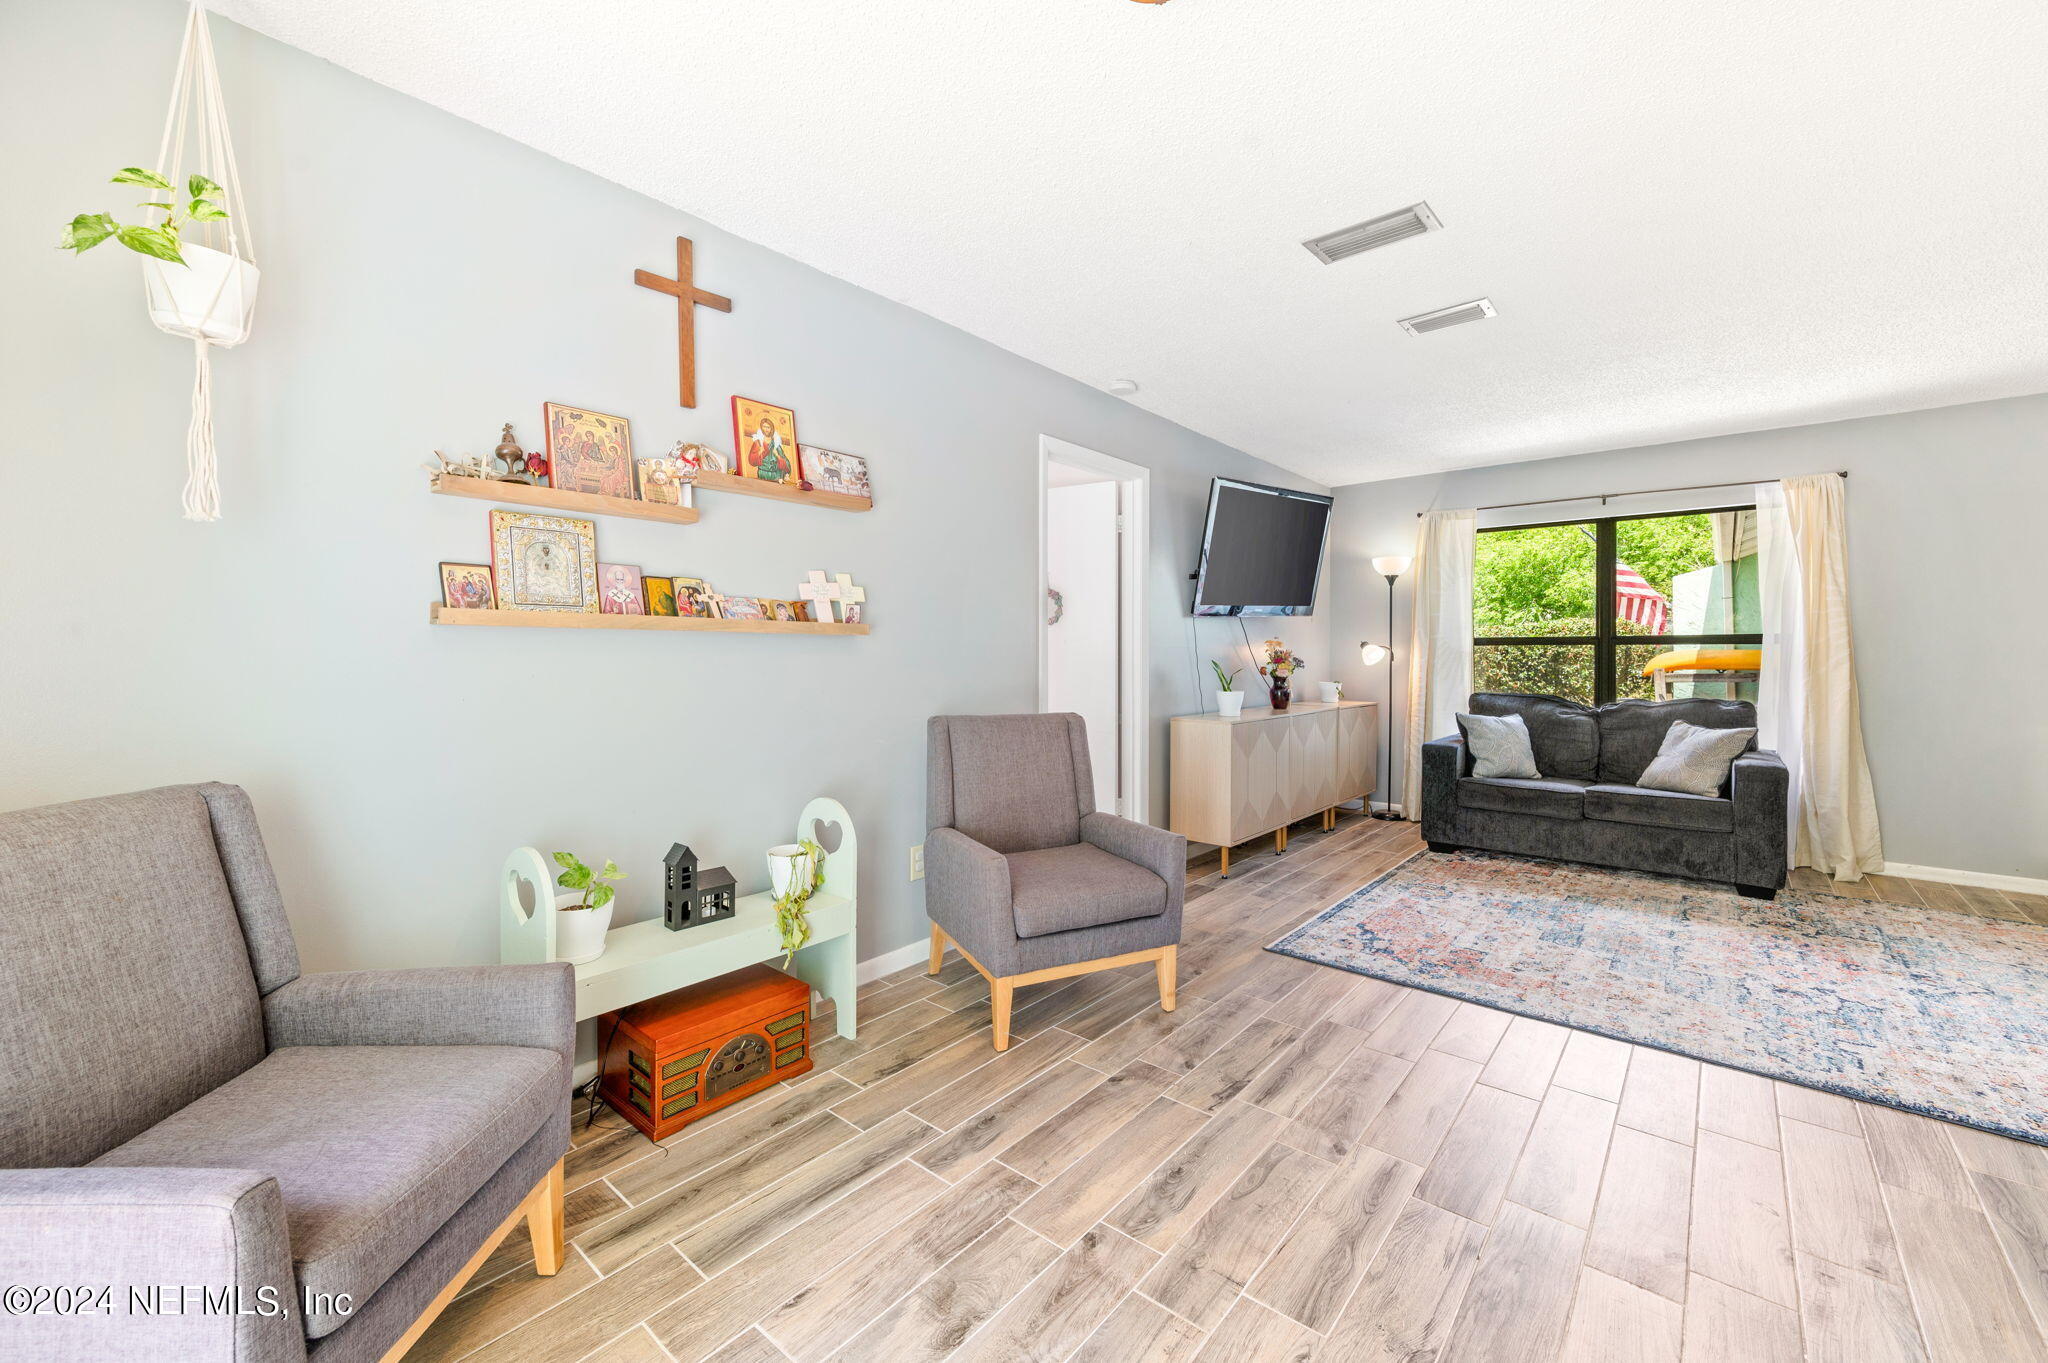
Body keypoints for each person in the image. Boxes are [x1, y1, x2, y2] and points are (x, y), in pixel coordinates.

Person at [745, 417, 792, 482]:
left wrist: (777, 455)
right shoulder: (758, 443)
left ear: (771, 429)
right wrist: (761, 452)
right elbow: (752, 461)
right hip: (762, 473)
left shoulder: (776, 443)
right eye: (764, 427)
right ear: (761, 428)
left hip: (775, 475)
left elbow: (786, 462)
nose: (766, 429)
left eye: (768, 427)